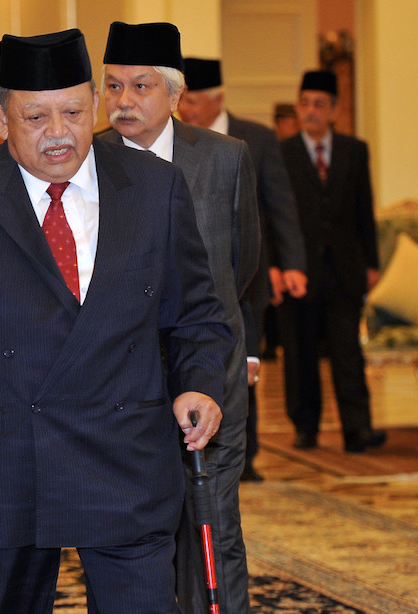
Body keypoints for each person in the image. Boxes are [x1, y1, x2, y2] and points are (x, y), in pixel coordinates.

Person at [0, 28, 232, 614]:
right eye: (36, 116)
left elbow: (197, 312)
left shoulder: (154, 187)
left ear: (93, 104)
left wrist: (199, 382)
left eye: (73, 112)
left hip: (125, 460)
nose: (58, 133)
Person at [97, 22, 260, 614]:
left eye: (140, 86)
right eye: (112, 86)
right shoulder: (84, 162)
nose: (123, 101)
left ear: (175, 94)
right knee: (131, 538)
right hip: (121, 386)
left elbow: (240, 267)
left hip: (210, 380)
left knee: (215, 529)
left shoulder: (225, 159)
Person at [179, 57, 308, 482]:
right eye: (183, 99)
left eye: (194, 100)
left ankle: (245, 455)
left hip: (248, 269)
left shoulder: (255, 138)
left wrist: (292, 264)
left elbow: (281, 205)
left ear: (218, 98)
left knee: (243, 366)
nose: (187, 108)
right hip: (194, 276)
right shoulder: (172, 142)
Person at [278, 70, 384, 454]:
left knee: (347, 353)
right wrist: (276, 266)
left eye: (319, 105)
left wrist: (371, 263)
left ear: (335, 111)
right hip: (298, 272)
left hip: (345, 270)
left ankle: (358, 428)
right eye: (304, 103)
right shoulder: (283, 153)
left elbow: (364, 210)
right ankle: (305, 427)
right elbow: (274, 214)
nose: (310, 111)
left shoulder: (355, 151)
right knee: (300, 353)